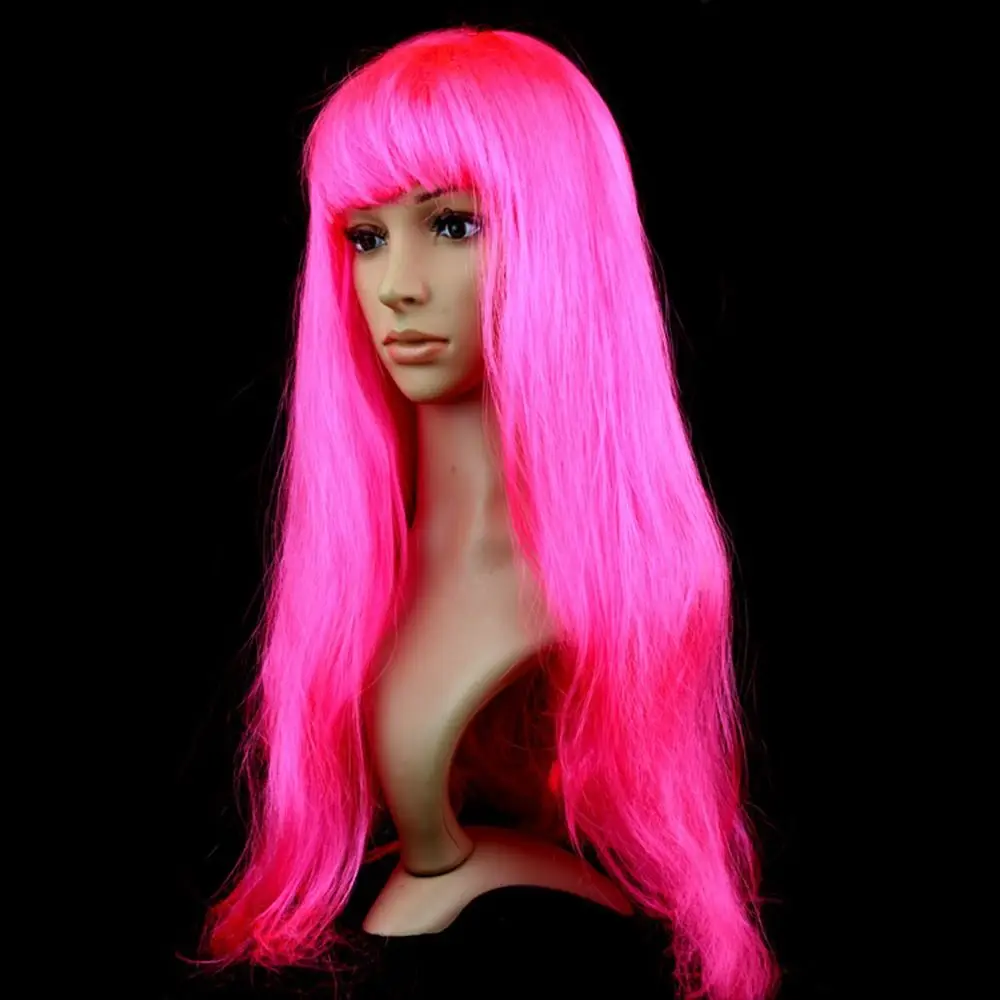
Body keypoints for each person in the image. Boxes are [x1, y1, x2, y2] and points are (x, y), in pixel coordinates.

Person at [201, 26, 777, 1000]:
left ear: (562, 242)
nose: (397, 287)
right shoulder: (364, 567)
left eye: (453, 226)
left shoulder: (588, 585)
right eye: (366, 238)